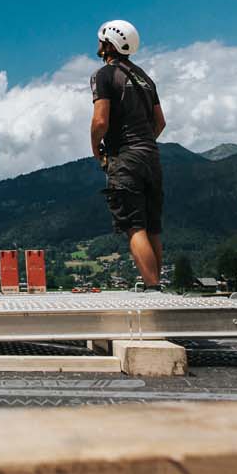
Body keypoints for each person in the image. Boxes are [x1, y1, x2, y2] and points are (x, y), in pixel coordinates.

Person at [89, 19, 168, 290]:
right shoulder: (145, 78)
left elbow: (101, 121)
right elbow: (160, 123)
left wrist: (96, 149)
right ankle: (158, 287)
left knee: (134, 226)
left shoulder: (105, 75)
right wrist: (144, 144)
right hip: (151, 157)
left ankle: (152, 289)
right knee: (152, 227)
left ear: (108, 43)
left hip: (125, 158)